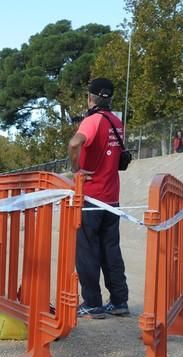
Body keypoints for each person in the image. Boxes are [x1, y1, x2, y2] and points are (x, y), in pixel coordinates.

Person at [68, 77, 129, 319]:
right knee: (111, 250)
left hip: (92, 197)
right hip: (112, 197)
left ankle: (93, 303)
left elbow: (75, 144)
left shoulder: (92, 121)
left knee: (86, 251)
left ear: (90, 97)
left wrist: (75, 170)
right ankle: (119, 301)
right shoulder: (117, 121)